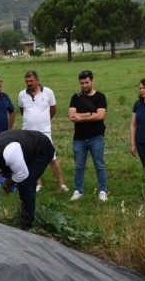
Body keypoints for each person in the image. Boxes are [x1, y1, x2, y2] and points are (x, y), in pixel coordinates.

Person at [0, 129, 54, 230]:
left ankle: (28, 224)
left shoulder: (8, 153)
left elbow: (22, 174)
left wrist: (8, 183)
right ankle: (26, 217)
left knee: (26, 184)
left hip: (41, 149)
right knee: (14, 173)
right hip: (22, 150)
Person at [17, 70, 69, 193]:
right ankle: (38, 183)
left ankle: (61, 184)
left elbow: (53, 109)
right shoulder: (22, 95)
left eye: (31, 81)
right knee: (31, 158)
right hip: (28, 133)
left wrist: (44, 121)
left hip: (44, 132)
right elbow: (22, 110)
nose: (29, 83)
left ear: (37, 80)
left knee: (51, 158)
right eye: (27, 81)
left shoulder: (48, 92)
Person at [68, 70, 109, 201]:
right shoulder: (75, 97)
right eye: (82, 83)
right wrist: (92, 114)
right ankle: (78, 190)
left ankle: (103, 190)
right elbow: (72, 116)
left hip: (96, 136)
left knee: (99, 164)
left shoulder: (100, 97)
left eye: (87, 82)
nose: (84, 85)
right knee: (79, 165)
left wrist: (82, 116)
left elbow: (101, 115)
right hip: (79, 138)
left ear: (92, 81)